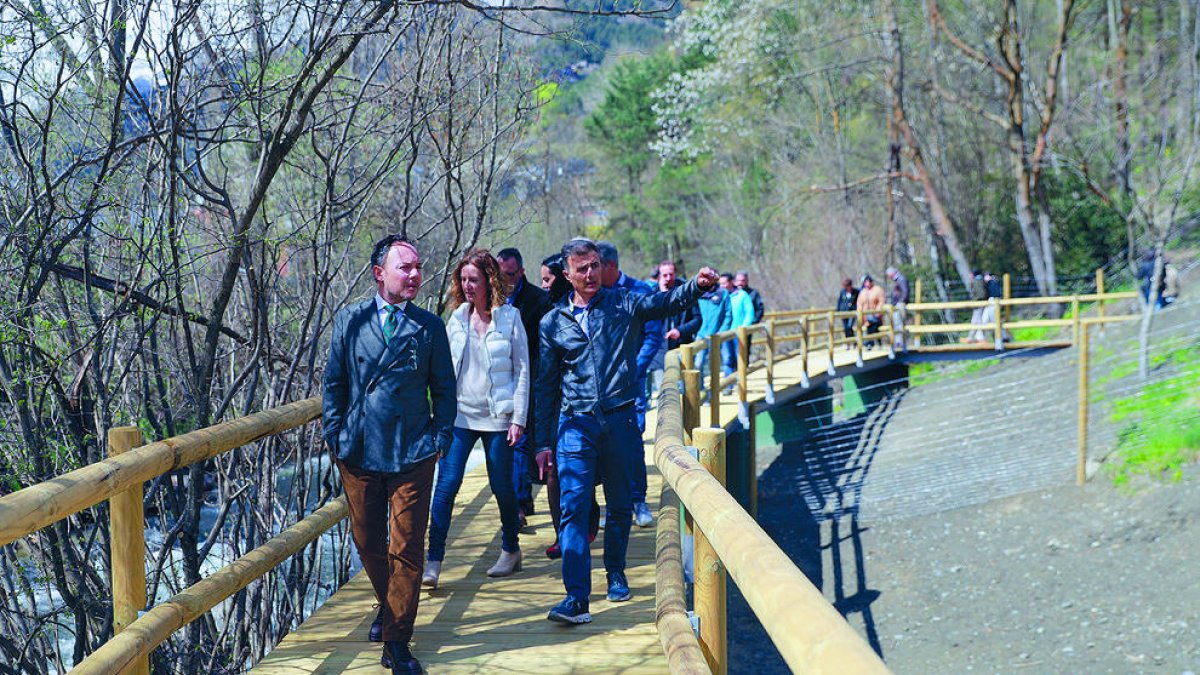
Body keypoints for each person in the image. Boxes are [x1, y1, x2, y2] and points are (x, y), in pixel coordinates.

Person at [536, 238, 718, 624]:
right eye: (581, 268)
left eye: (595, 266)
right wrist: (541, 442)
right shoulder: (552, 323)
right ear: (566, 274)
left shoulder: (624, 303)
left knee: (620, 505)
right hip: (575, 423)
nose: (589, 274)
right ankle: (576, 598)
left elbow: (664, 303)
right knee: (573, 509)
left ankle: (615, 570)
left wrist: (697, 286)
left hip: (619, 420)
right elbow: (546, 385)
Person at [322, 235, 455, 675]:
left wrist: (439, 438)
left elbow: (445, 391)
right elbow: (335, 384)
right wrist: (335, 435)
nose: (416, 274)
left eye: (418, 267)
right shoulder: (350, 320)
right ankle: (390, 604)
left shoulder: (429, 326)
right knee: (367, 543)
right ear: (380, 273)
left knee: (408, 548)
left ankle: (397, 642)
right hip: (359, 450)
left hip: (412, 451)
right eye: (406, 268)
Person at [421, 250, 530, 589]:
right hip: (460, 417)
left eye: (474, 280)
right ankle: (433, 562)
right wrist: (438, 416)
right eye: (463, 280)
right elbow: (441, 372)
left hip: (498, 417)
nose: (468, 286)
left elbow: (522, 370)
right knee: (446, 487)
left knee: (502, 487)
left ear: (489, 281)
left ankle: (511, 549)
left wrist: (519, 419)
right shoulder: (456, 318)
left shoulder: (510, 318)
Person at [534, 253, 601, 559]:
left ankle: (588, 518)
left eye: (548, 279)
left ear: (562, 277)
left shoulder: (588, 307)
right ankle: (563, 533)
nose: (543, 285)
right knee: (553, 474)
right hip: (554, 403)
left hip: (582, 406)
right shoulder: (547, 313)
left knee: (585, 473)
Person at [496, 248, 551, 527]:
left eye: (509, 274)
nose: (504, 280)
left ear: (521, 272)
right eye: (500, 274)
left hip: (530, 377)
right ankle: (522, 499)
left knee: (520, 440)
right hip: (499, 380)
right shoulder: (489, 300)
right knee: (510, 441)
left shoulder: (539, 300)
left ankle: (518, 504)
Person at [597, 241, 661, 435]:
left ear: (611, 265)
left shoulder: (640, 292)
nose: (592, 272)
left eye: (596, 266)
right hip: (600, 381)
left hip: (632, 379)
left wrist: (634, 368)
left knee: (633, 431)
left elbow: (653, 335)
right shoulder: (591, 294)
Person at [695, 275, 732, 392]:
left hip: (717, 335)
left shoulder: (723, 293)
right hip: (701, 335)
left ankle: (722, 389)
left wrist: (721, 332)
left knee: (718, 364)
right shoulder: (698, 294)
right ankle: (701, 392)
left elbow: (728, 315)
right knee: (698, 364)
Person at [725, 273, 755, 378]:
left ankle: (741, 381)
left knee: (740, 358)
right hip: (725, 332)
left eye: (724, 283)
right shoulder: (722, 295)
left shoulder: (742, 295)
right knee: (727, 359)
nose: (723, 285)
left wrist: (744, 327)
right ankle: (728, 384)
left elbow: (749, 312)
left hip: (738, 332)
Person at [734, 270, 764, 353]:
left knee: (745, 348)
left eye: (743, 280)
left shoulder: (753, 293)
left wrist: (752, 323)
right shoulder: (731, 293)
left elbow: (760, 309)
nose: (740, 283)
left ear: (747, 281)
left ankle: (744, 365)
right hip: (732, 326)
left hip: (747, 327)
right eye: (738, 280)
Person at [856, 274, 885, 347]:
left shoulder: (877, 289)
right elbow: (859, 303)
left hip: (875, 314)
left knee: (874, 327)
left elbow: (881, 301)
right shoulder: (863, 292)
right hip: (866, 315)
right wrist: (860, 313)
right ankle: (870, 342)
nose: (866, 284)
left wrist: (877, 312)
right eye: (865, 282)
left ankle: (874, 342)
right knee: (869, 327)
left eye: (868, 282)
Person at [885, 267, 908, 350]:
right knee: (896, 324)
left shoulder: (901, 279)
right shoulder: (897, 280)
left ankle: (900, 343)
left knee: (899, 324)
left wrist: (901, 301)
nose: (888, 276)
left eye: (888, 274)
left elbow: (905, 291)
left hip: (899, 305)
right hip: (895, 305)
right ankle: (898, 342)